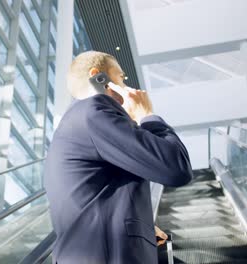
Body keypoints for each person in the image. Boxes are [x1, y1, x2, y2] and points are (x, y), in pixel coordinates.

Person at [44, 51, 193, 264]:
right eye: (121, 77)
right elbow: (176, 167)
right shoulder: (95, 110)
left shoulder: (74, 124)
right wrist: (147, 116)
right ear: (98, 77)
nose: (125, 85)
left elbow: (94, 196)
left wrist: (142, 225)